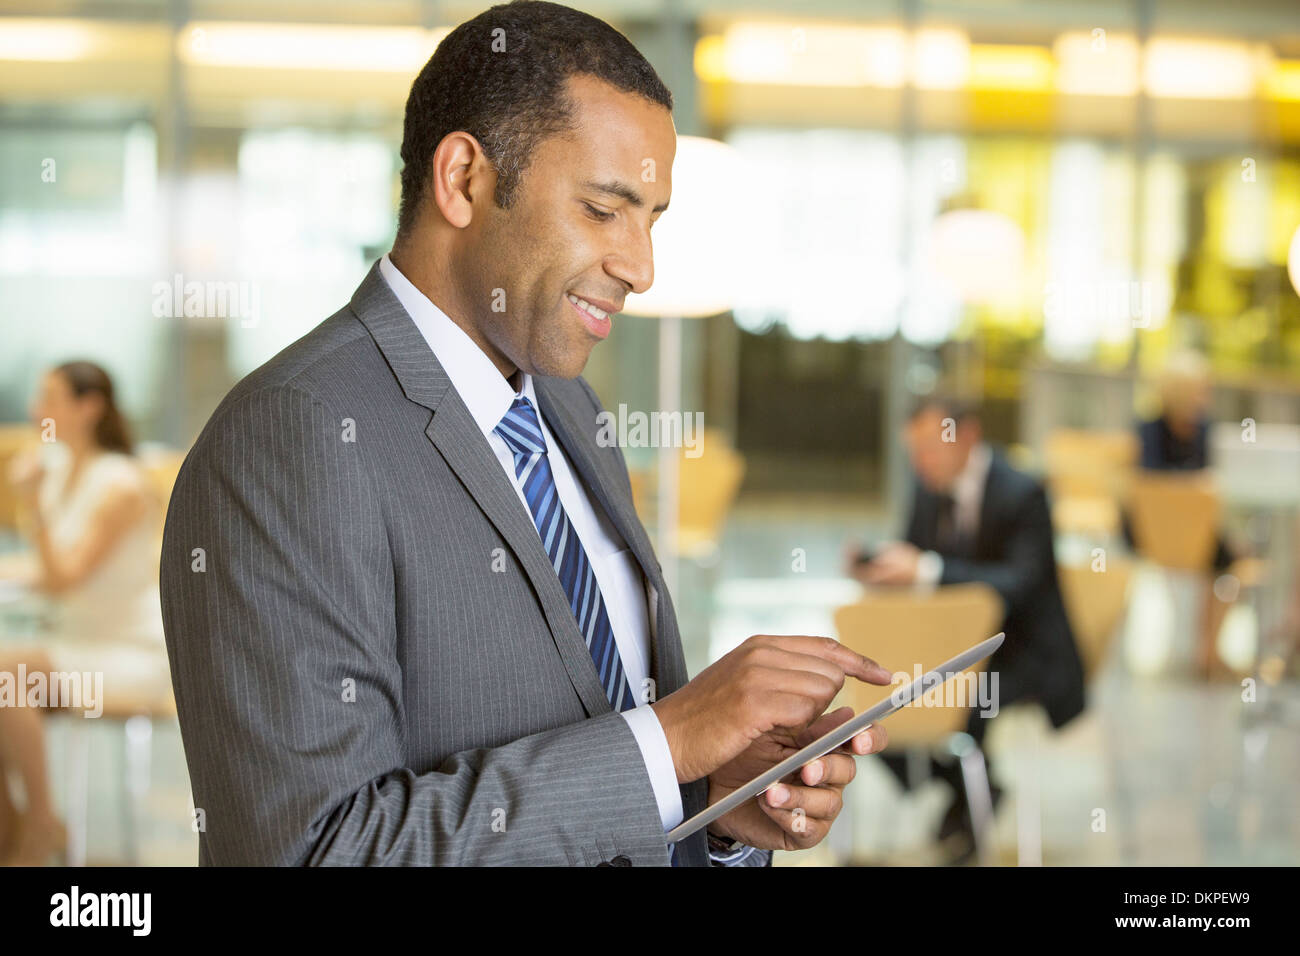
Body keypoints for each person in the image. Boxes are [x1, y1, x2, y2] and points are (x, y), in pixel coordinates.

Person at [160, 0, 893, 867]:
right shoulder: (292, 437)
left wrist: (710, 800)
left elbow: (611, 768)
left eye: (652, 218)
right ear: (464, 178)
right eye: (602, 209)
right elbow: (315, 852)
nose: (642, 266)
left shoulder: (569, 411)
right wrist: (668, 741)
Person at [848, 393, 1085, 860]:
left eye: (930, 449)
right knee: (875, 699)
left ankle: (969, 799)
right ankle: (974, 791)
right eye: (913, 451)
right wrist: (882, 569)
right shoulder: (927, 490)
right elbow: (917, 562)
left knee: (956, 701)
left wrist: (927, 571)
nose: (920, 463)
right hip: (950, 646)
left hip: (1023, 651)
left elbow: (1021, 585)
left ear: (968, 435)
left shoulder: (1023, 493)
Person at [0, 360, 168, 865]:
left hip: (127, 657)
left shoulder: (120, 484)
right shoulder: (58, 471)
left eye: (50, 398)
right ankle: (14, 831)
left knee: (6, 675)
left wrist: (30, 502)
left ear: (89, 406)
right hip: (73, 647)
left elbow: (64, 577)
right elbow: (47, 571)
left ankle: (41, 822)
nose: (36, 410)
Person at [1124, 350, 1239, 678]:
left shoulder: (1205, 430)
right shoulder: (1150, 429)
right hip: (1153, 530)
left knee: (1229, 566)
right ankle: (1204, 651)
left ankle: (1209, 648)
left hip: (1196, 530)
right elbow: (1149, 486)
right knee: (1217, 563)